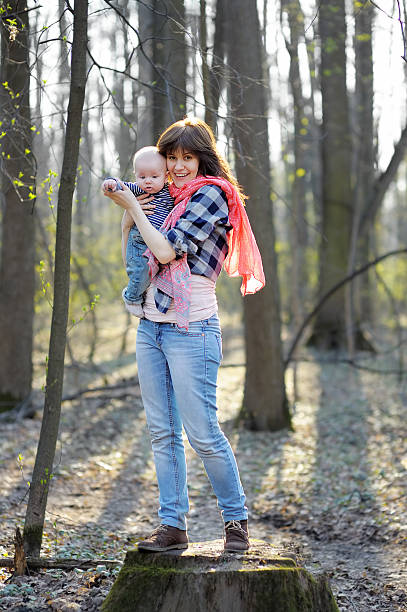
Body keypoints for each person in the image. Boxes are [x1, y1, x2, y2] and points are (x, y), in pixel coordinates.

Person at [103, 118, 265, 553]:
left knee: (203, 433)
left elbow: (165, 250)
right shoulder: (163, 197)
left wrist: (131, 210)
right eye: (170, 157)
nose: (176, 167)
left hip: (192, 328)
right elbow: (133, 253)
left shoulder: (211, 194)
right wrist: (130, 208)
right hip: (150, 326)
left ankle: (235, 522)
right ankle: (172, 525)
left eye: (185, 158)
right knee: (162, 432)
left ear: (202, 159)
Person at [102, 146, 174, 318]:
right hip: (139, 241)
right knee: (141, 272)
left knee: (155, 274)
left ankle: (138, 294)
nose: (147, 181)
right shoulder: (138, 189)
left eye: (154, 176)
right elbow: (121, 186)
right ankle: (131, 297)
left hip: (159, 242)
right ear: (135, 175)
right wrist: (110, 184)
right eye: (142, 176)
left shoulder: (170, 192)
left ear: (166, 175)